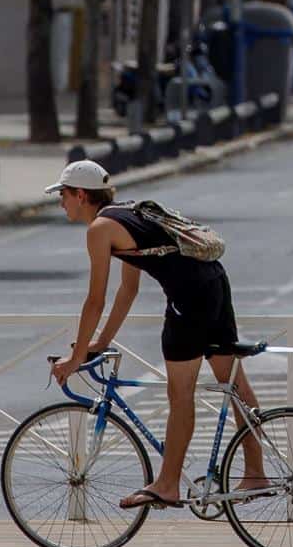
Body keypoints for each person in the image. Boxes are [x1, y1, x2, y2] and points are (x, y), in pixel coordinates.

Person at [48, 160, 265, 509]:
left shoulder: (100, 229)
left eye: (63, 194)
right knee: (233, 380)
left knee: (180, 393)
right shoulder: (124, 214)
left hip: (189, 298)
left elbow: (95, 300)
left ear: (80, 194)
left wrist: (75, 359)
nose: (60, 202)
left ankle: (167, 484)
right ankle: (256, 472)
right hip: (214, 282)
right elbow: (127, 290)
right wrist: (100, 342)